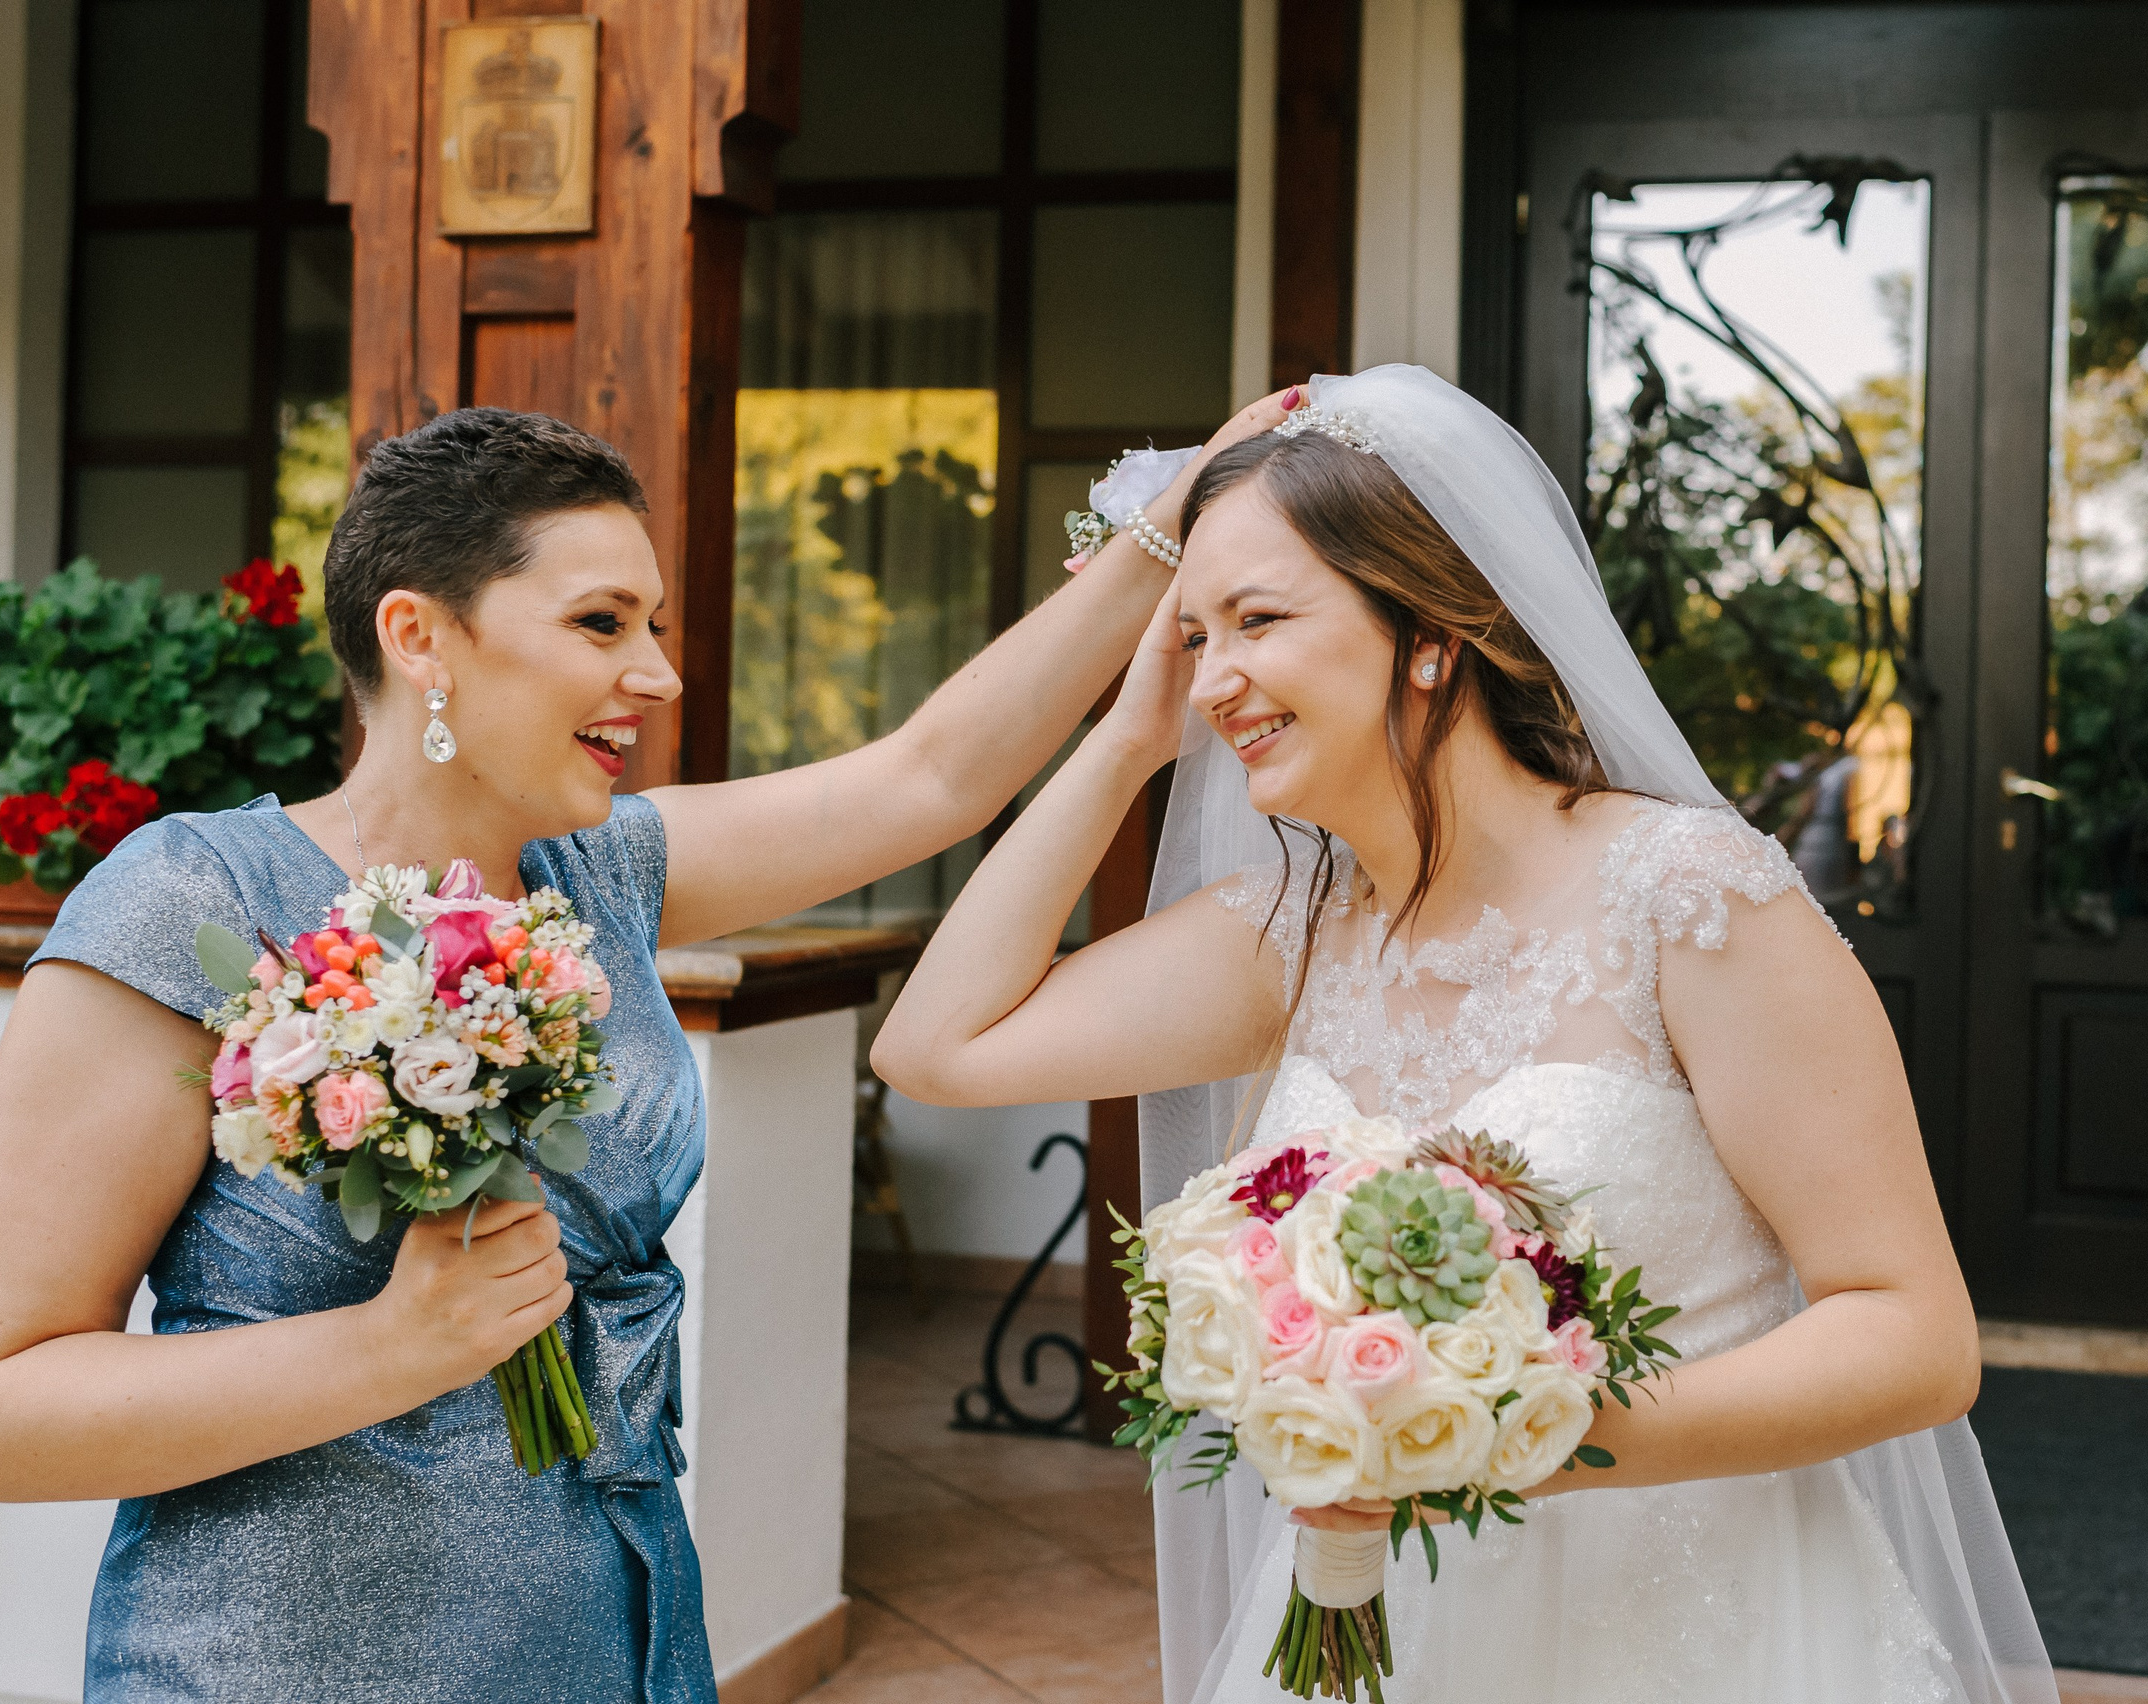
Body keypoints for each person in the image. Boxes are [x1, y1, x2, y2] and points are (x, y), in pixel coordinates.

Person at [0, 396, 1293, 1701]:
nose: (659, 671)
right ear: (420, 635)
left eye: (656, 623)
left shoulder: (605, 877)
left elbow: (930, 776)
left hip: (607, 1620)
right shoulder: (192, 905)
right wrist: (390, 1350)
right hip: (286, 1658)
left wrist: (1163, 540)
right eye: (600, 621)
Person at [874, 367, 2053, 1703]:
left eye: (1259, 618)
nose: (1216, 679)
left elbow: (1912, 1334)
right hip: (1376, 1625)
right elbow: (934, 1048)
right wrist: (1125, 741)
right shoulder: (1289, 930)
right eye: (1195, 637)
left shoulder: (1689, 898)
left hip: (1689, 1631)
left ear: (1431, 631)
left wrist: (1531, 1436)